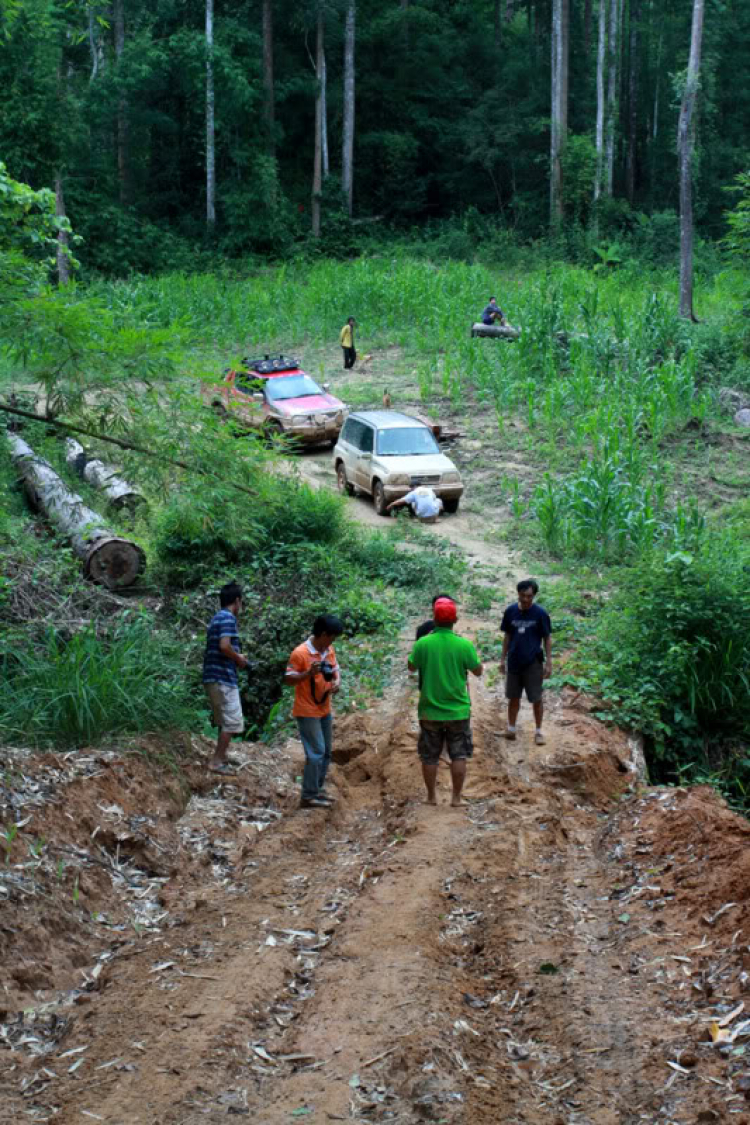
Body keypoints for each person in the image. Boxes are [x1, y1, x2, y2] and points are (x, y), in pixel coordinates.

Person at [408, 597, 483, 807]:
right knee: (458, 754)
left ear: (434, 619)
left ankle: (431, 797)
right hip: (458, 711)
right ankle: (456, 798)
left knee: (429, 756)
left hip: (430, 710)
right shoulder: (464, 645)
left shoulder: (423, 644)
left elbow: (411, 667)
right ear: (456, 619)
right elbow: (478, 671)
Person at [284, 614, 344, 809]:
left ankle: (316, 789)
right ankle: (308, 795)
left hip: (324, 706)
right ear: (323, 634)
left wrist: (337, 681)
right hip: (307, 709)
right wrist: (308, 673)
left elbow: (335, 669)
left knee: (326, 752)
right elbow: (288, 678)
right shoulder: (300, 653)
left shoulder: (328, 650)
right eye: (331, 637)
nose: (331, 643)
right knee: (316, 752)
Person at [202, 581, 249, 774]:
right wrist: (239, 659)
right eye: (242, 602)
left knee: (224, 720)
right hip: (223, 678)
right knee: (232, 721)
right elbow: (224, 645)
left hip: (213, 676)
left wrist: (237, 657)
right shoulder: (228, 618)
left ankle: (220, 756)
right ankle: (216, 762)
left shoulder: (216, 618)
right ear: (237, 601)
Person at [499, 579, 552, 746]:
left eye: (529, 596)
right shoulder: (510, 612)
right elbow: (507, 636)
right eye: (522, 595)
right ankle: (511, 729)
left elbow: (547, 637)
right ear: (518, 594)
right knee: (513, 697)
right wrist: (502, 659)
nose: (526, 599)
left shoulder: (541, 614)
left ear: (534, 595)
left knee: (536, 698)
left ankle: (538, 732)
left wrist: (549, 661)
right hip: (514, 661)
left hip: (533, 663)